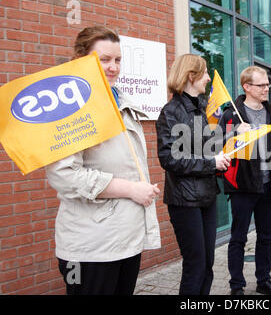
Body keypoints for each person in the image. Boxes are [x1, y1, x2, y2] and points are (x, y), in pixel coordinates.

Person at [45, 26, 161, 295]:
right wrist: (131, 189)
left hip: (124, 241)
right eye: (104, 60)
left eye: (118, 60)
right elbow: (64, 176)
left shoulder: (120, 102)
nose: (113, 67)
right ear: (80, 59)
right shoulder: (70, 108)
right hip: (90, 248)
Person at [155, 54, 231, 295]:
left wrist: (232, 143)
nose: (209, 78)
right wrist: (211, 163)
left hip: (207, 197)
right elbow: (170, 158)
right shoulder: (170, 112)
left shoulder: (202, 109)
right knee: (195, 266)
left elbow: (207, 148)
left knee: (207, 264)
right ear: (191, 76)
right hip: (184, 201)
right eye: (205, 73)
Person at [218, 66, 271, 295]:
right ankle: (237, 286)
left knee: (265, 238)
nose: (266, 88)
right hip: (243, 187)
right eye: (261, 85)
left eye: (268, 85)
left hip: (269, 187)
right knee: (238, 238)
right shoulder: (232, 115)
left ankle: (264, 281)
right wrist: (234, 134)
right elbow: (217, 148)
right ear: (247, 87)